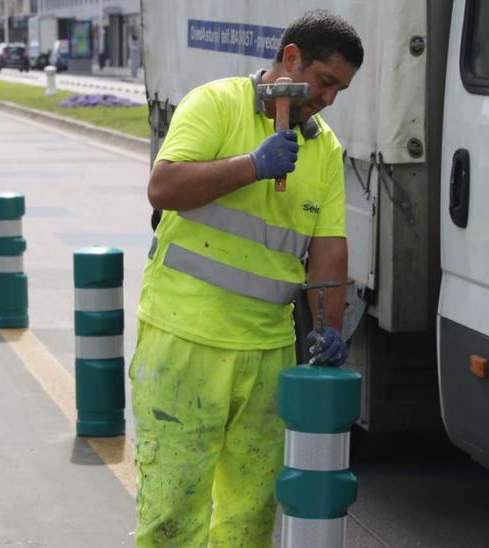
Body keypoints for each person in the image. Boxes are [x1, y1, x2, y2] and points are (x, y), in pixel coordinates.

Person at [131, 9, 362, 547]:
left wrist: (329, 327)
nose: (329, 99)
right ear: (290, 58)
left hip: (266, 353)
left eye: (340, 90)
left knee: (248, 519)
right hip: (183, 342)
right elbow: (163, 187)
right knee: (172, 512)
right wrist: (251, 166)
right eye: (326, 82)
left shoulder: (322, 148)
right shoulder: (216, 103)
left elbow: (328, 246)